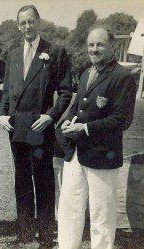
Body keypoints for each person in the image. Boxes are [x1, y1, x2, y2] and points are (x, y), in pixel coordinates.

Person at [0, 5, 72, 248]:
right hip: (17, 129)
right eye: (23, 23)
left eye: (31, 21)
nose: (27, 26)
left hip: (41, 128)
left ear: (38, 22)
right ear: (18, 26)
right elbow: (7, 93)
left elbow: (64, 92)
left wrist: (51, 116)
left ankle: (46, 236)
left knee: (43, 181)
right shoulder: (13, 54)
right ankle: (25, 233)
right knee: (21, 181)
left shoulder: (54, 52)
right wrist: (1, 115)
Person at [57, 26, 137, 249]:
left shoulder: (123, 77)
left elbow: (122, 120)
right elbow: (76, 108)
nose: (94, 49)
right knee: (69, 209)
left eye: (100, 44)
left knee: (101, 214)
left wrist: (85, 128)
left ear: (111, 46)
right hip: (76, 154)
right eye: (91, 45)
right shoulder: (86, 74)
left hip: (103, 156)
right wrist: (68, 121)